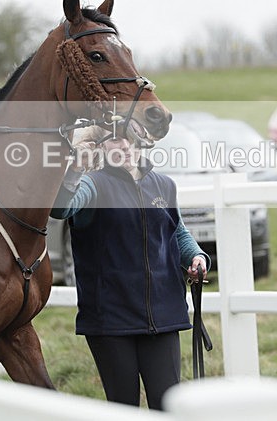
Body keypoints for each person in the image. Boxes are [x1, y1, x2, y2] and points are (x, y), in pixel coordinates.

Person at [50, 126, 210, 410]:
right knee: (123, 408)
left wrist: (196, 257)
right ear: (100, 149)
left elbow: (177, 233)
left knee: (168, 405)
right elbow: (61, 209)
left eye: (125, 136)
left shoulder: (164, 185)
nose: (121, 143)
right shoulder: (93, 185)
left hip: (163, 317)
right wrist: (74, 169)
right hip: (111, 320)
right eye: (112, 138)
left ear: (139, 141)